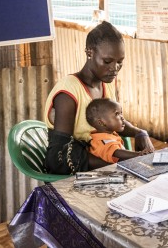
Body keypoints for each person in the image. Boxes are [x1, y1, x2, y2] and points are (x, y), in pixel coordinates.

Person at [44, 21, 155, 174]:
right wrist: (117, 165)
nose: (115, 68)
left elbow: (111, 122)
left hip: (103, 157)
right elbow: (60, 157)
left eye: (120, 62)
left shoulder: (106, 82)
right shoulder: (68, 94)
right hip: (74, 168)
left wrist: (140, 132)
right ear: (90, 53)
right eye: (108, 61)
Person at [86, 98, 153, 163]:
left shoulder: (109, 134)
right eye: (117, 114)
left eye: (121, 113)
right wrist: (138, 154)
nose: (122, 118)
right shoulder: (101, 140)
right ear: (101, 122)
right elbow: (116, 152)